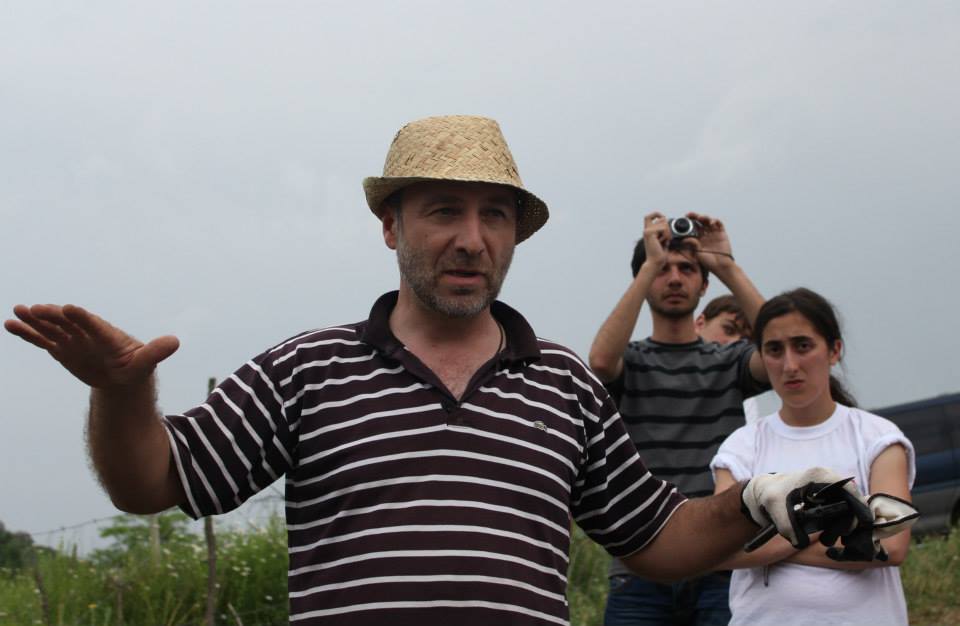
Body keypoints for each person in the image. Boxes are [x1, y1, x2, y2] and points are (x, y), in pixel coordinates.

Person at [6, 116, 864, 626]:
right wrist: (122, 392)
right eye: (443, 210)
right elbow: (153, 482)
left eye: (496, 216)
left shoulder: (565, 385)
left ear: (516, 234)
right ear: (391, 226)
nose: (472, 239)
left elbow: (661, 542)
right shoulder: (307, 369)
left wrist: (758, 500)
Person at [589, 213, 771, 626]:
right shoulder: (630, 362)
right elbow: (599, 362)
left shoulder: (730, 361)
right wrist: (648, 263)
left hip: (722, 565)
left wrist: (725, 265)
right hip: (640, 567)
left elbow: (781, 348)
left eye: (687, 269)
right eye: (663, 270)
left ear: (704, 286)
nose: (674, 279)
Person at [710, 288, 916, 626]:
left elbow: (892, 544)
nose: (790, 365)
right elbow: (721, 550)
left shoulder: (878, 437)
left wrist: (770, 541)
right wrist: (836, 524)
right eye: (774, 350)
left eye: (803, 346)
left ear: (834, 350)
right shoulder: (741, 446)